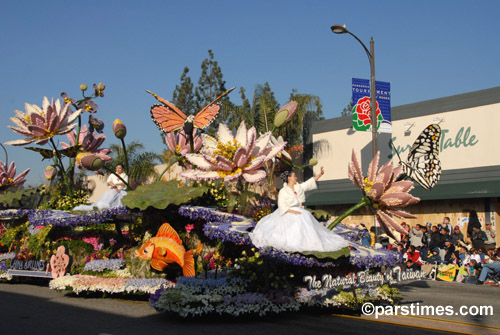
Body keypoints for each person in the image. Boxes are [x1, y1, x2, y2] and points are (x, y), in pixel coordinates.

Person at [249, 168, 349, 253]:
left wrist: (320, 174)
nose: (296, 178)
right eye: (294, 176)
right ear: (289, 178)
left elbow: (309, 184)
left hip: (299, 211)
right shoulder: (283, 191)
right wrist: (292, 212)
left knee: (306, 219)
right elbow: (282, 206)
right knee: (292, 226)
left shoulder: (298, 187)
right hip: (287, 212)